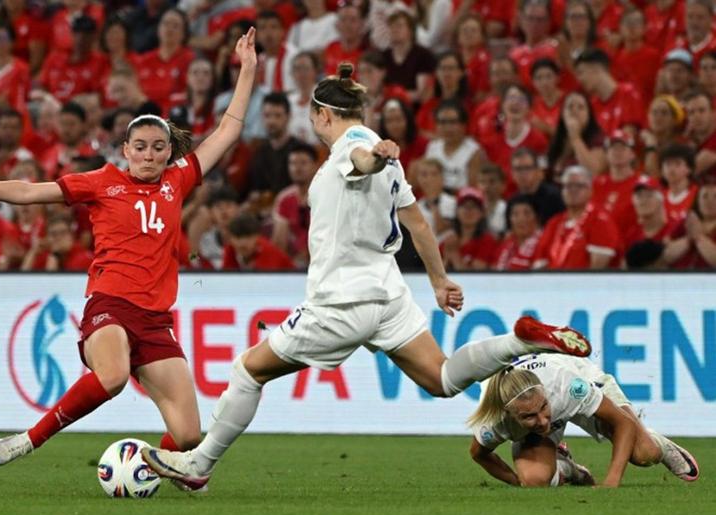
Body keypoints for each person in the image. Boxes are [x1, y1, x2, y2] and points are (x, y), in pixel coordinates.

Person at [140, 63, 594, 491]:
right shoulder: (386, 157)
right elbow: (416, 222)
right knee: (441, 378)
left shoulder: (352, 146)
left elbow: (360, 161)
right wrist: (438, 280)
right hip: (389, 295)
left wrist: (374, 156)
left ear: (322, 115)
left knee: (248, 370)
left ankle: (199, 465)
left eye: (313, 116)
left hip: (341, 302)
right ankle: (520, 341)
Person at [0, 28, 260, 468]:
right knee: (113, 376)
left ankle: (142, 470)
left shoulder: (179, 180)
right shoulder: (102, 182)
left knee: (189, 435)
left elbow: (227, 131)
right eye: (141, 147)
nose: (150, 155)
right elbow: (26, 191)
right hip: (110, 305)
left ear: (168, 151)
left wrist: (247, 70)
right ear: (125, 151)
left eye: (159, 148)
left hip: (155, 320)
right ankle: (31, 438)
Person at [468, 352, 700, 487]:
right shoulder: (494, 418)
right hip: (547, 404)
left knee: (643, 453)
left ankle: (658, 443)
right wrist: (517, 481)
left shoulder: (568, 385)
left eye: (542, 408)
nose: (542, 421)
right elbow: (479, 454)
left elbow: (622, 423)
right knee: (534, 481)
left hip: (582, 382)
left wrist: (611, 481)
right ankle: (569, 469)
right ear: (509, 414)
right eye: (528, 416)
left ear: (545, 395)